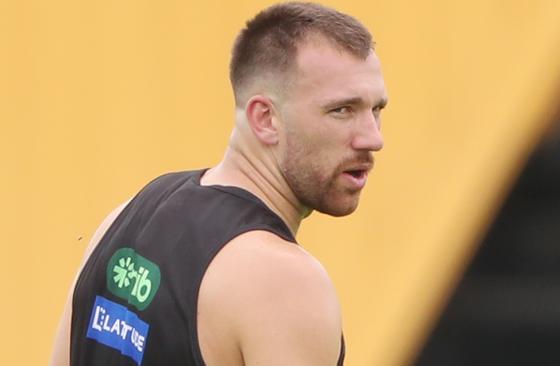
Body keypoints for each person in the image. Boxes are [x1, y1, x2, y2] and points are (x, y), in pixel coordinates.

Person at [50, 2, 387, 365]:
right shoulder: (284, 282)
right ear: (266, 118)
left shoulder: (129, 214)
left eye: (377, 110)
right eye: (342, 110)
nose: (373, 138)